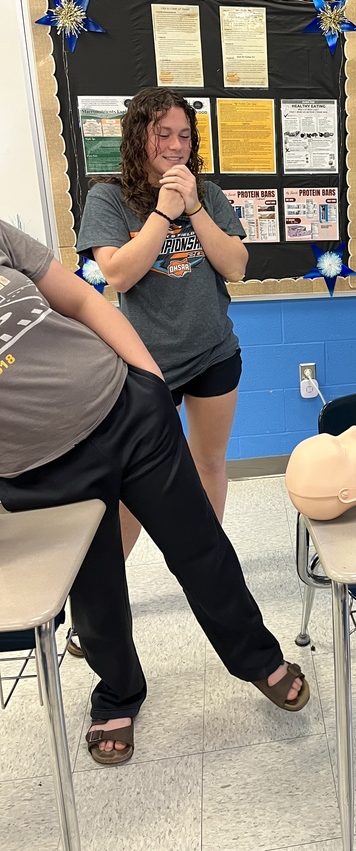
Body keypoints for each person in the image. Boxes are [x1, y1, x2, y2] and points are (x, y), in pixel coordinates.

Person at [0, 219, 309, 765]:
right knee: (95, 589)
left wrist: (148, 382)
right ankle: (118, 692)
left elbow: (82, 301)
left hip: (125, 408)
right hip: (39, 468)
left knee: (201, 547)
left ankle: (258, 658)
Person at [77, 88, 246, 560]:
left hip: (214, 351)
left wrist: (192, 206)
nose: (175, 146)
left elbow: (235, 266)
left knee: (209, 461)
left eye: (184, 136)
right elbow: (119, 274)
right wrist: (164, 212)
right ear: (137, 137)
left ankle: (210, 565)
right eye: (162, 134)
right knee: (134, 480)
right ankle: (113, 591)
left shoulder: (206, 194)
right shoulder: (107, 197)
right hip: (146, 363)